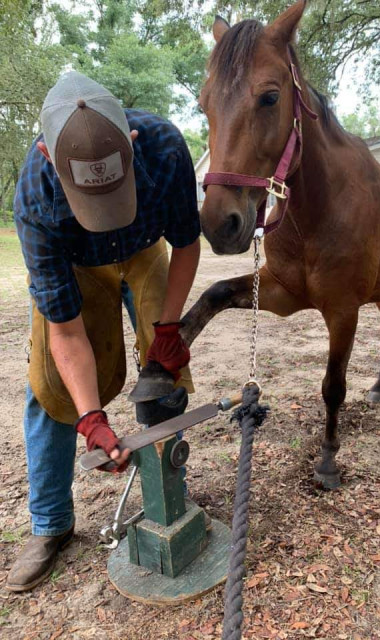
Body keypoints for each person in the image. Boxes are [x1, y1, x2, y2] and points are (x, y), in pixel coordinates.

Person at [7, 71, 201, 592]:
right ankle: (51, 525)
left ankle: (170, 494)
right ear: (50, 158)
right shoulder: (34, 198)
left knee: (167, 366)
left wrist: (166, 331)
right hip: (76, 264)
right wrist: (91, 418)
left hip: (144, 251)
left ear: (131, 142)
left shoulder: (163, 146)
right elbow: (66, 335)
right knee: (48, 386)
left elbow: (185, 245)